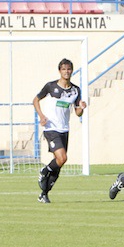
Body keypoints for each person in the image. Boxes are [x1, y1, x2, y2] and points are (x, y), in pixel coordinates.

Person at [33, 59, 87, 204]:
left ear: (72, 71)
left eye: (69, 69)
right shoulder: (50, 86)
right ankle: (44, 171)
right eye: (64, 69)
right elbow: (36, 100)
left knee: (59, 164)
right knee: (62, 158)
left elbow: (78, 113)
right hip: (51, 128)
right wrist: (41, 116)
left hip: (64, 129)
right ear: (59, 71)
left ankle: (44, 194)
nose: (66, 72)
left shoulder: (75, 90)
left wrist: (81, 107)